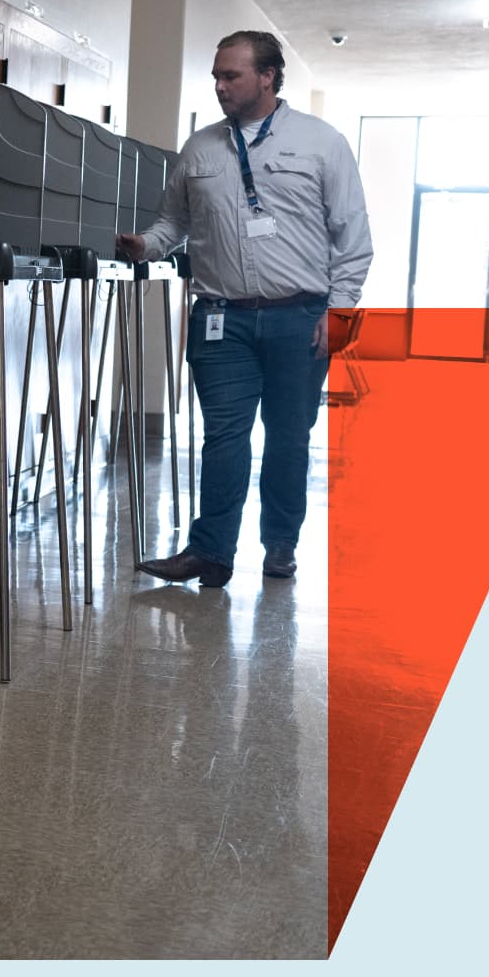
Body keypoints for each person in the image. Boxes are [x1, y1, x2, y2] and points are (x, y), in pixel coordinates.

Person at [115, 30, 371, 586]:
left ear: (268, 77)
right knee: (224, 434)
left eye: (230, 75)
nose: (219, 85)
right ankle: (211, 551)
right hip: (219, 318)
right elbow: (172, 224)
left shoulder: (321, 143)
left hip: (298, 318)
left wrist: (343, 309)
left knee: (287, 435)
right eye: (216, 75)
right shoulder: (200, 148)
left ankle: (280, 544)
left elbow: (352, 235)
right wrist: (146, 246)